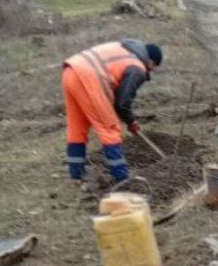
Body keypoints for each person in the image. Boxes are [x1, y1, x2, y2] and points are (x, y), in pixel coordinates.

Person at [62, 40, 163, 183]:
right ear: (151, 62)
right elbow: (122, 103)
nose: (151, 71)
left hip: (70, 71)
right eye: (154, 67)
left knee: (77, 126)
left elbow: (116, 93)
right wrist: (131, 121)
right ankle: (122, 177)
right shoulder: (138, 67)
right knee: (110, 128)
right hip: (88, 78)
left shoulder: (124, 49)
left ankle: (76, 173)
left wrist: (128, 119)